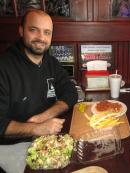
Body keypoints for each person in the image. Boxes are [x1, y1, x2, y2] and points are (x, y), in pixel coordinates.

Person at [0, 9, 78, 173]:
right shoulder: (4, 67)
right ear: (21, 31)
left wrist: (45, 117)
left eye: (47, 32)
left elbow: (71, 92)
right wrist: (35, 128)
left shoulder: (51, 62)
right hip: (13, 147)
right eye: (33, 30)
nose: (41, 38)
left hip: (48, 138)